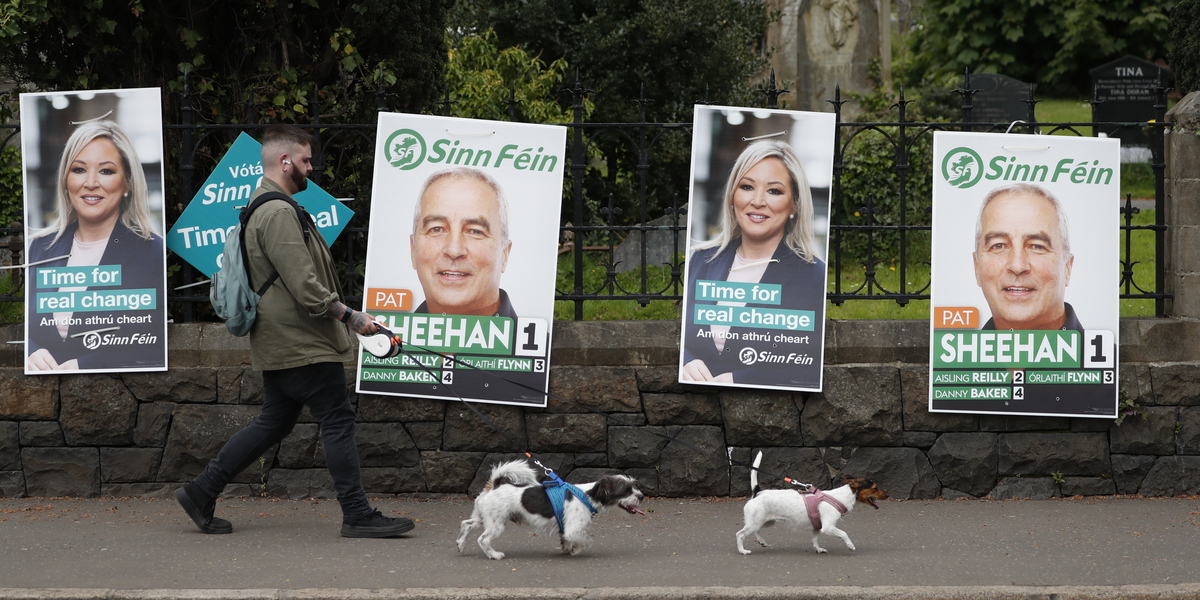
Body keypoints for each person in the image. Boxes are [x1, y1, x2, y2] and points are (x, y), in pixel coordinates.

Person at [175, 125, 414, 538]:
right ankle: (356, 514)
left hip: (282, 339)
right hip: (303, 341)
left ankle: (202, 490)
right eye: (305, 161)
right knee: (337, 419)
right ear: (285, 162)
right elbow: (305, 285)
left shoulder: (262, 207)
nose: (310, 168)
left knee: (273, 423)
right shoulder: (277, 212)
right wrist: (351, 317)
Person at [681, 140, 826, 388]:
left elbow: (810, 362)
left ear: (794, 204)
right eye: (747, 186)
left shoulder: (814, 275)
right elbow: (682, 337)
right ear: (732, 196)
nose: (757, 201)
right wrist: (686, 360)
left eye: (774, 191)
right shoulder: (701, 260)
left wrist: (744, 379)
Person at [25, 119, 166, 372]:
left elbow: (154, 342)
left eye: (106, 171)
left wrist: (85, 365)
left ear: (127, 183)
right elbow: (30, 329)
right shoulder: (40, 248)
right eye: (79, 169)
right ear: (66, 180)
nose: (90, 182)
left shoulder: (152, 251)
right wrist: (31, 351)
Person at [409, 167, 516, 318]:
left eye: (475, 231)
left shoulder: (539, 341)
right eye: (437, 229)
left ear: (505, 254)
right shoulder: (386, 339)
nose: (454, 250)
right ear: (413, 250)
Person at [973, 183, 1080, 332]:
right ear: (977, 267)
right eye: (998, 246)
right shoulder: (957, 356)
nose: (1017, 266)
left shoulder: (1107, 355)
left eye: (1037, 246)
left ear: (1067, 267)